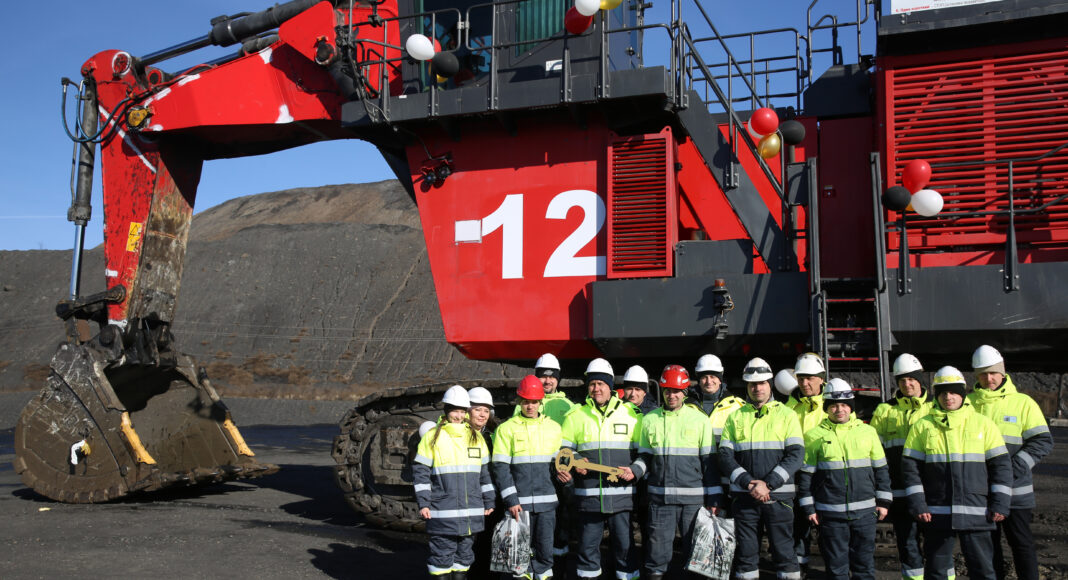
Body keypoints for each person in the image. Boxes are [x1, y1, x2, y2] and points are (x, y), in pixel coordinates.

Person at [902, 366, 1012, 580]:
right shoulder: (922, 426)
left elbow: (1001, 467)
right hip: (936, 512)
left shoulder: (983, 424)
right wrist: (918, 504)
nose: (948, 397)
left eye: (953, 392)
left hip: (977, 511)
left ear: (962, 394)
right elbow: (910, 469)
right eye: (943, 393)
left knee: (983, 571)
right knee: (936, 571)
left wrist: (1000, 503)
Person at [967, 345, 1053, 580]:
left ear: (1002, 372)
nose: (989, 379)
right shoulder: (967, 404)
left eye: (993, 373)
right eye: (983, 374)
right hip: (982, 491)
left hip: (1016, 491)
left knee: (1021, 544)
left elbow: (1042, 441)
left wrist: (1010, 471)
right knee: (988, 547)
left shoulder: (1023, 403)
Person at [558, 358, 644, 580]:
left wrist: (635, 470)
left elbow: (645, 454)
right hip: (589, 498)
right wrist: (576, 460)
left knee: (625, 550)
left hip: (621, 497)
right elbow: (564, 451)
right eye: (592, 384)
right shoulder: (576, 416)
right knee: (587, 552)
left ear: (610, 387)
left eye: (601, 384)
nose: (596, 389)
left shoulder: (631, 415)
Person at [797, 378, 891, 580]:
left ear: (851, 407)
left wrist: (883, 502)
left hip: (865, 513)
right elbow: (806, 477)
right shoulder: (814, 436)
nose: (839, 410)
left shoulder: (868, 432)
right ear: (826, 408)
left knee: (864, 568)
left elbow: (881, 469)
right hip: (830, 514)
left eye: (844, 405)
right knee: (836, 569)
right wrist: (809, 508)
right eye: (833, 405)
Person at [719, 357, 803, 580]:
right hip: (745, 497)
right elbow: (725, 457)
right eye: (752, 384)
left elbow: (796, 455)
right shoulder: (735, 417)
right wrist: (748, 483)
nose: (757, 388)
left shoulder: (787, 415)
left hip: (778, 497)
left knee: (784, 553)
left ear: (770, 384)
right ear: (747, 386)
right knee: (746, 557)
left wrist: (769, 484)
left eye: (762, 383)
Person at [636, 364, 719, 580]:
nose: (671, 395)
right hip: (660, 499)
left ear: (684, 392)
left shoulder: (699, 420)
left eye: (676, 391)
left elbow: (709, 462)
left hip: (692, 501)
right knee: (656, 555)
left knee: (695, 554)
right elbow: (645, 456)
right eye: (667, 390)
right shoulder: (650, 419)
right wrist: (633, 471)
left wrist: (714, 498)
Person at [414, 385, 495, 579]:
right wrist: (424, 502)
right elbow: (421, 473)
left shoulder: (476, 438)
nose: (458, 416)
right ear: (446, 410)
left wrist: (489, 499)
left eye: (461, 411)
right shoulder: (433, 437)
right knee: (441, 559)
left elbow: (484, 474)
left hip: (470, 514)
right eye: (454, 411)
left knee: (464, 559)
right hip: (443, 513)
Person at [869, 353, 934, 580]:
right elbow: (874, 450)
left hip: (930, 490)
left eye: (912, 379)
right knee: (907, 543)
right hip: (899, 489)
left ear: (920, 379)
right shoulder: (885, 411)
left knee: (935, 544)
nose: (907, 384)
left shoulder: (935, 407)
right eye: (902, 380)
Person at [492, 375, 563, 580]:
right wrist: (511, 500)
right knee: (517, 559)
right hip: (519, 506)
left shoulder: (554, 428)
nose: (530, 406)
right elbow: (500, 467)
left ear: (541, 401)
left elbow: (559, 464)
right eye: (525, 402)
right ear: (519, 401)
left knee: (545, 557)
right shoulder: (506, 429)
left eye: (534, 402)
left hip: (547, 506)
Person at [786, 352, 828, 570]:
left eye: (810, 378)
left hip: (825, 475)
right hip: (797, 475)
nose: (804, 383)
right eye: (801, 378)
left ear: (821, 378)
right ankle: (799, 568)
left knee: (828, 529)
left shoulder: (832, 405)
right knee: (798, 527)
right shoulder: (789, 407)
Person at [467, 386, 502, 580]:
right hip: (469, 497)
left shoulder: (492, 434)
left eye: (486, 411)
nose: (482, 414)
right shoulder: (457, 434)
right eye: (477, 409)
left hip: (489, 498)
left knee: (487, 544)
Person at [687, 354, 746, 446]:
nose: (708, 381)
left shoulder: (738, 406)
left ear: (720, 379)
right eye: (704, 377)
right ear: (699, 380)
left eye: (712, 376)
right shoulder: (685, 405)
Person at [534, 353, 577, 426]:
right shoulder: (525, 404)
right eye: (543, 376)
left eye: (551, 377)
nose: (547, 381)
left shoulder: (569, 406)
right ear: (536, 378)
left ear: (557, 379)